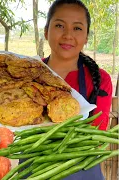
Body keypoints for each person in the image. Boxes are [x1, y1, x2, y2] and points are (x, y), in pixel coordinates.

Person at [19, 0, 113, 179]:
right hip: (32, 170)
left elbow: (94, 136)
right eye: (60, 25)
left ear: (86, 37)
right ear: (46, 32)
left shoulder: (101, 80)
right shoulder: (26, 74)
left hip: (81, 170)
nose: (68, 35)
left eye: (77, 28)